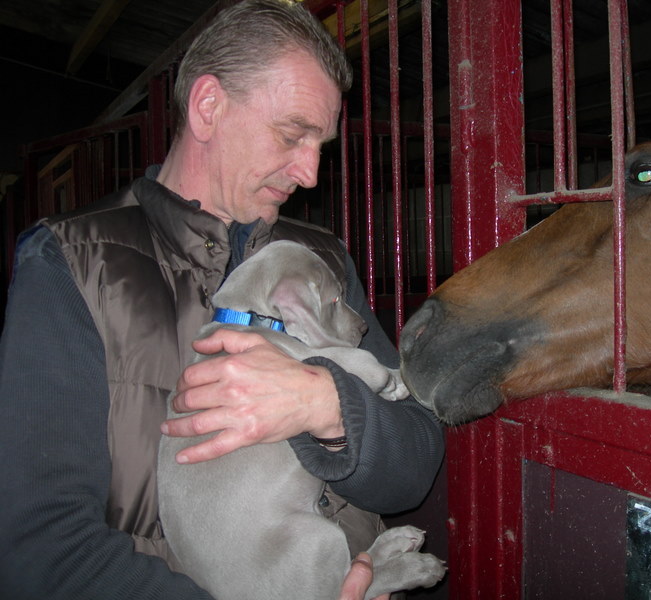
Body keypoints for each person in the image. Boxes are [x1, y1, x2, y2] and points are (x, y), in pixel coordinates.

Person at [0, 1, 444, 598]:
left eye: (322, 143)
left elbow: (416, 463)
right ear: (208, 106)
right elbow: (40, 548)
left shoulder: (322, 258)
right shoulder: (71, 263)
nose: (311, 173)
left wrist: (328, 405)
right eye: (293, 134)